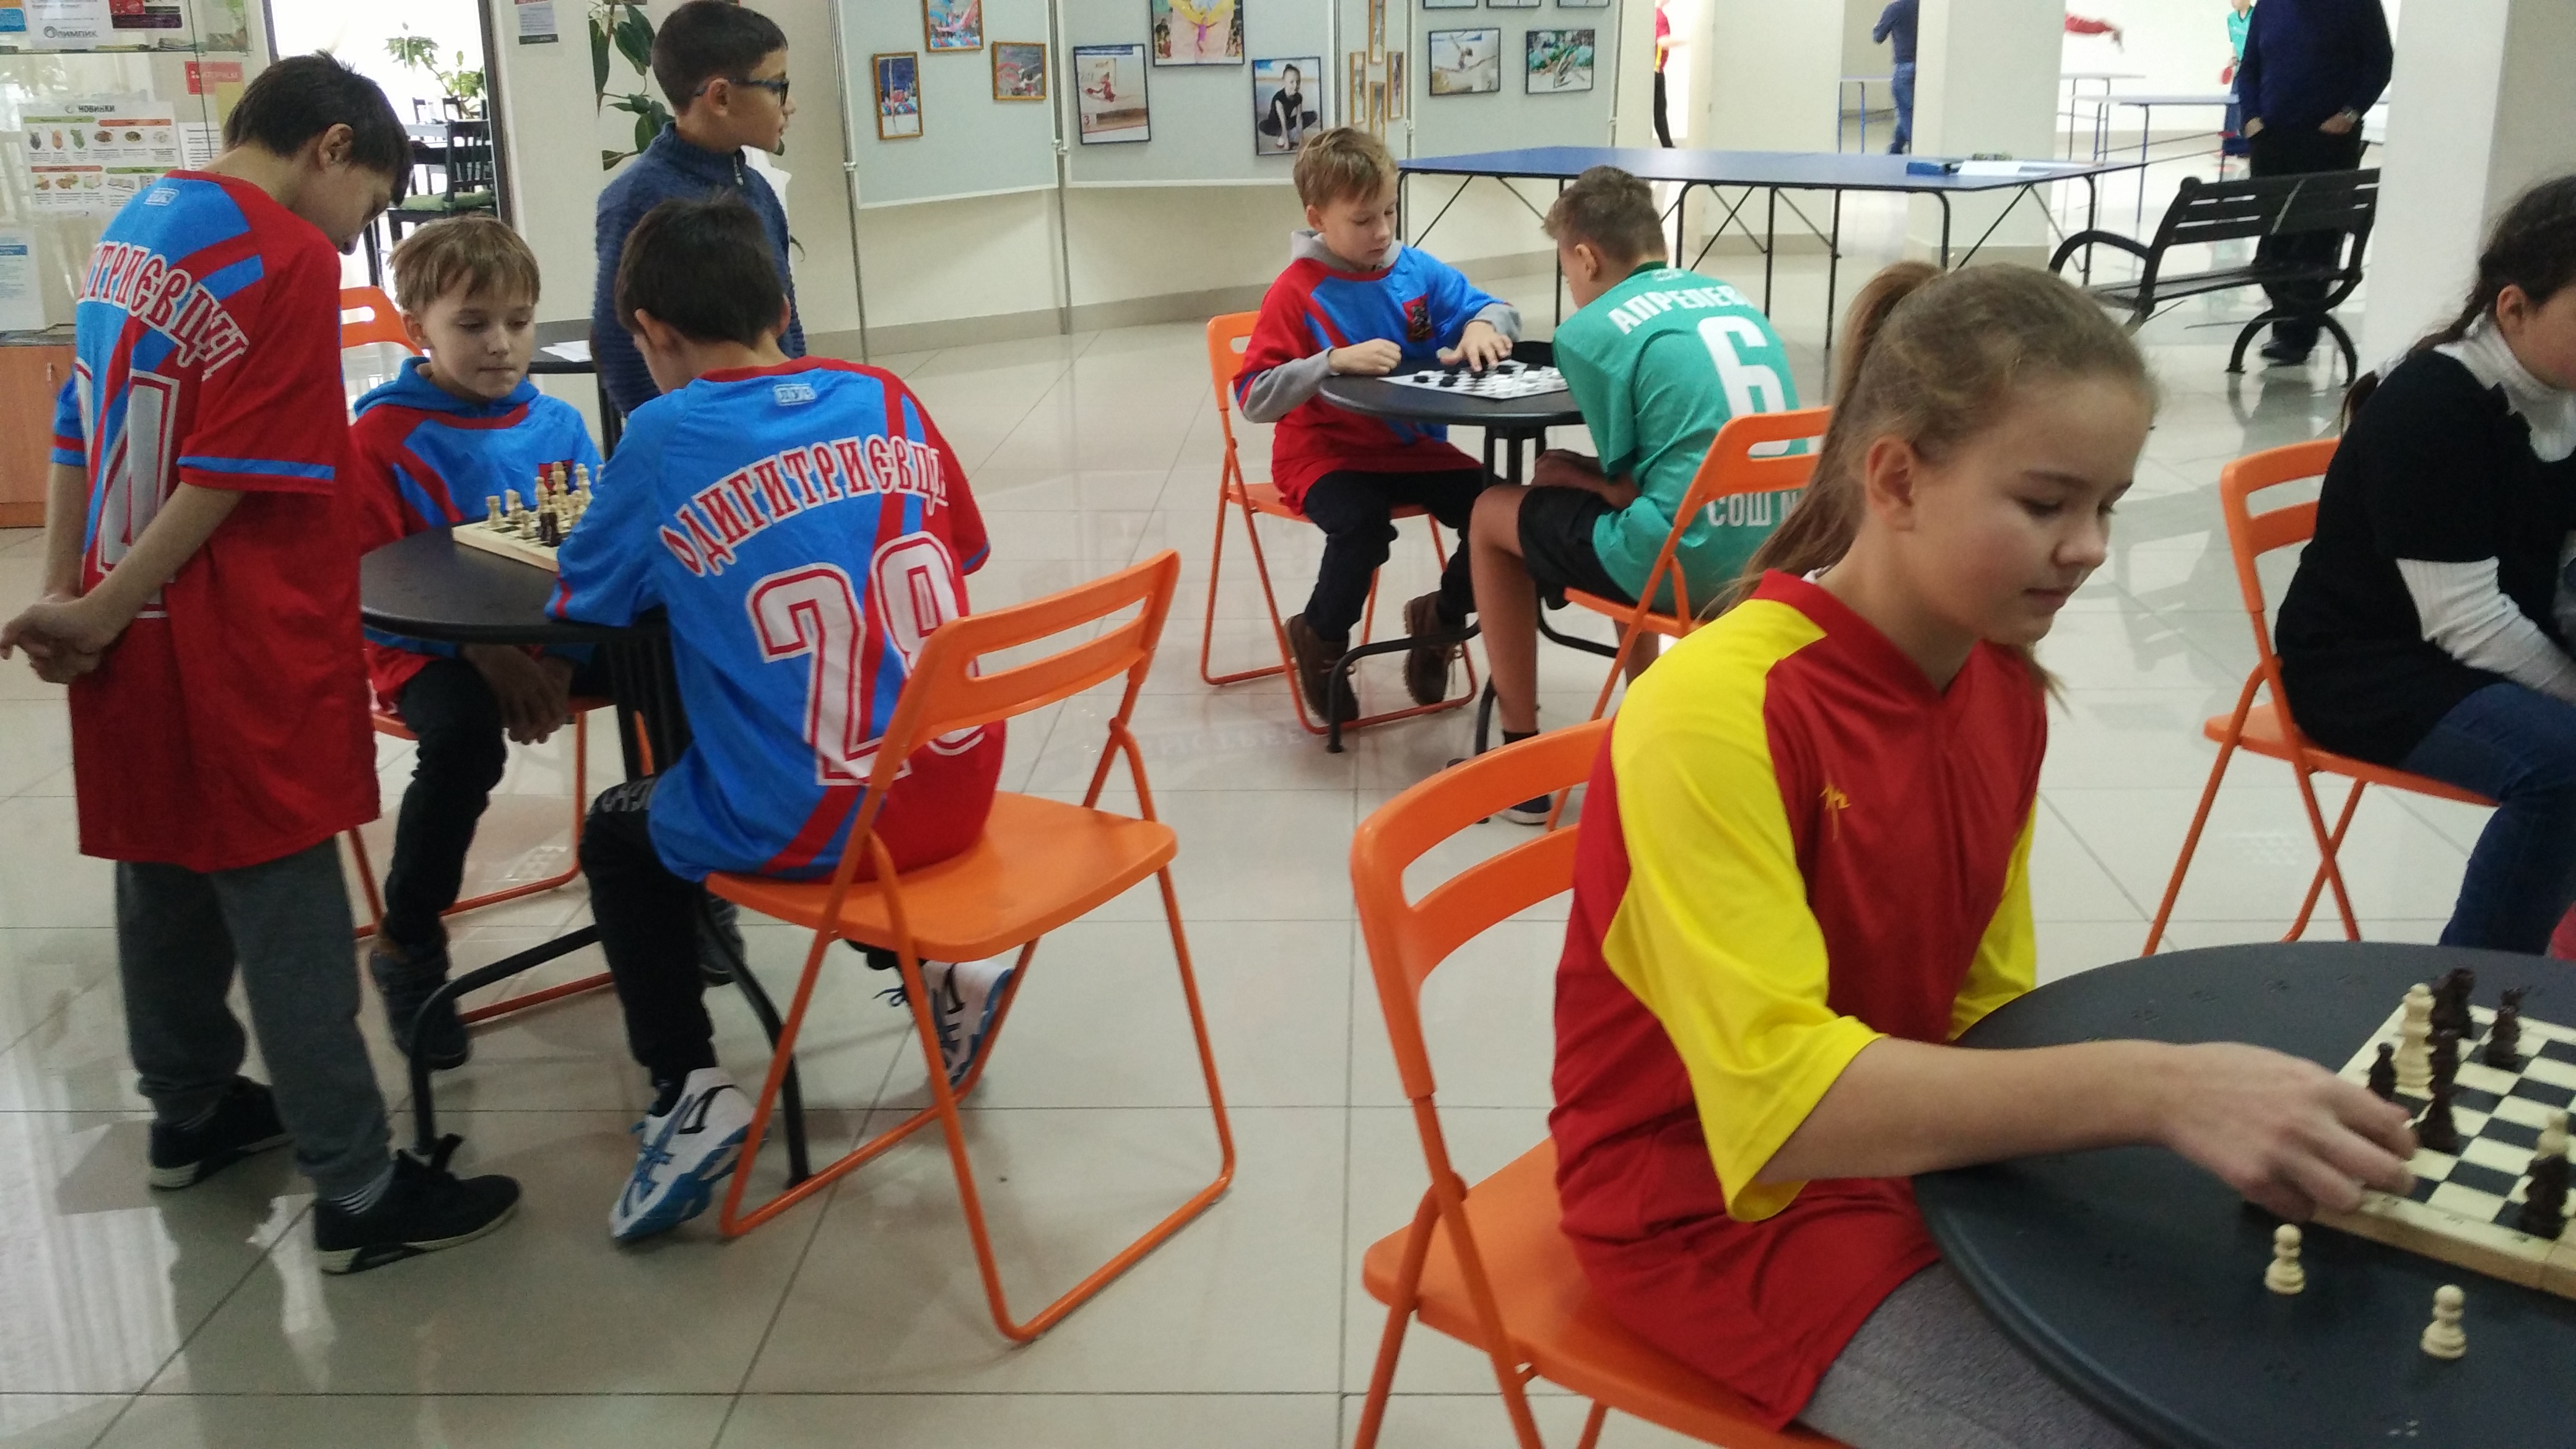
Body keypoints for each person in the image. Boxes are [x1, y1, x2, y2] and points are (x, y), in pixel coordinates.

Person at [1548, 261, 2418, 1447]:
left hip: (1915, 1153)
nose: (2089, 549)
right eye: (2048, 504)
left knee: (2278, 1351)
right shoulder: (1712, 712)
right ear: (1897, 479)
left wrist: (2163, 1126)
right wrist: (2162, 1090)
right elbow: (1788, 1110)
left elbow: (1987, 1015)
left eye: (2108, 506)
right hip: (1712, 1213)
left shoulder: (2000, 682)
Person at [0, 54, 521, 1275]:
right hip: (237, 633)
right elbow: (232, 472)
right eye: (365, 203)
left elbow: (79, 421)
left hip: (131, 624)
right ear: (331, 147)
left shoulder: (137, 224)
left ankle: (188, 1111)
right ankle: (356, 1188)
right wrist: (101, 605)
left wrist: (75, 596)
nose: (351, 236)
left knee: (163, 870)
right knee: (287, 905)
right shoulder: (284, 256)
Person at [553, 194, 1014, 1242]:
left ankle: (687, 1090)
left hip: (823, 826)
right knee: (820, 756)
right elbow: (964, 551)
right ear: (782, 308)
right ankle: (944, 972)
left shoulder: (663, 433)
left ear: (651, 334)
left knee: (620, 832)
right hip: (957, 791)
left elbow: (589, 602)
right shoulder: (888, 395)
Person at [2274, 176, 2576, 955]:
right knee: (2565, 770)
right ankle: (2471, 994)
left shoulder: (2559, 387)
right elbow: (2464, 620)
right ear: (2512, 308)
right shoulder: (2433, 407)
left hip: (2492, 643)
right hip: (2371, 669)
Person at [349, 214, 607, 1069]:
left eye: (518, 321)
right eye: (472, 323)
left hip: (552, 632)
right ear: (415, 327)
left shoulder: (559, 425)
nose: (501, 343)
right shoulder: (379, 440)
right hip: (423, 644)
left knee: (674, 668)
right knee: (463, 740)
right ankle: (409, 942)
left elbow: (599, 557)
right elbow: (365, 589)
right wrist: (487, 654)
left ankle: (683, 886)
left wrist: (561, 659)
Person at [1466, 166, 1798, 823]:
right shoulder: (1730, 298)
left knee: (1488, 514)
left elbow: (1623, 490)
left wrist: (1574, 474)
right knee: (1637, 508)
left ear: (1586, 258)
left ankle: (1521, 764)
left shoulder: (1588, 332)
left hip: (1683, 567)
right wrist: (1587, 477)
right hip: (1772, 558)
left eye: (1567, 269)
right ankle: (1648, 713)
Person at [1235, 127, 1518, 723]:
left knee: (1504, 514)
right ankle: (1320, 637)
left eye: (1390, 211)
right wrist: (1330, 362)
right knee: (1362, 528)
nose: (1383, 231)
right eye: (1363, 220)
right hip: (1324, 455)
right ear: (1318, 218)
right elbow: (1255, 398)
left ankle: (1440, 618)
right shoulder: (1296, 291)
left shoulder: (1415, 271)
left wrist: (1481, 327)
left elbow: (1494, 308)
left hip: (1415, 451)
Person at [592, 0, 803, 422]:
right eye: (777, 86)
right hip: (703, 432)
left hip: (771, 422)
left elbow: (786, 321)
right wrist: (675, 434)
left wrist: (796, 406)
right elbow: (620, 343)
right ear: (720, 96)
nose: (790, 103)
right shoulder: (638, 196)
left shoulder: (758, 190)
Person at [2234, 0, 2392, 365]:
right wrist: (2251, 118)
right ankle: (2283, 322)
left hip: (2327, 142)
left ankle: (2298, 334)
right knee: (2274, 241)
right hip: (2272, 141)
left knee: (2317, 241)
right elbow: (2250, 67)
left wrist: (2349, 114)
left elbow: (2380, 63)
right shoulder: (2270, 5)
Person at [1871, 0, 1917, 155]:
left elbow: (1878, 37)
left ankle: (1915, 149)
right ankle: (1895, 149)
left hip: (1904, 66)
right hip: (1925, 67)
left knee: (1906, 113)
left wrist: (1876, 27)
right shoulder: (1924, 8)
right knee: (1906, 111)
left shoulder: (1895, 8)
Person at [2222, 0, 2255, 159]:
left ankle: (2247, 146)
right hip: (2240, 68)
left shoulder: (2257, 16)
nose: (2232, 1)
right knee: (2233, 104)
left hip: (2255, 68)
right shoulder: (2231, 19)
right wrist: (2234, 57)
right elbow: (2235, 43)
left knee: (2249, 106)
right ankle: (2230, 145)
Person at [1260, 63, 1314, 151]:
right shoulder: (1279, 98)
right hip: (1275, 124)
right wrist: (1287, 141)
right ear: (1285, 82)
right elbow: (1283, 121)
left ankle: (1290, 134)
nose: (1295, 86)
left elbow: (1299, 118)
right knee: (1264, 126)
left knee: (1312, 115)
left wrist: (1302, 139)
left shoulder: (1298, 97)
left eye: (1298, 82)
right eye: (1292, 82)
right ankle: (1284, 137)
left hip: (1288, 122)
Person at [1652, 0, 1675, 149]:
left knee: (1660, 113)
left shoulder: (1654, 15)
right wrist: (1682, 42)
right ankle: (1668, 146)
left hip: (1656, 71)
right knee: (1660, 113)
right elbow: (1662, 41)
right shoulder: (1660, 16)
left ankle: (1668, 145)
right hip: (1657, 72)